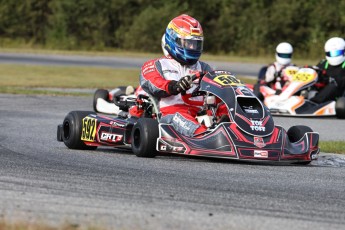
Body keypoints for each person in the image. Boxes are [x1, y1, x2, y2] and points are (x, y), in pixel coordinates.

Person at [139, 14, 214, 137]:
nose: (192, 47)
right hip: (170, 114)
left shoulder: (204, 67)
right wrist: (174, 86)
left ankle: (246, 135)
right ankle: (203, 137)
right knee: (181, 118)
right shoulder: (157, 65)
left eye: (196, 44)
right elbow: (153, 83)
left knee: (228, 110)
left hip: (200, 112)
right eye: (188, 43)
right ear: (173, 40)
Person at [310, 37, 345, 104]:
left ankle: (313, 103)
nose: (334, 56)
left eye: (337, 53)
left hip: (339, 97)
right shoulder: (323, 63)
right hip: (323, 92)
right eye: (331, 54)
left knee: (332, 85)